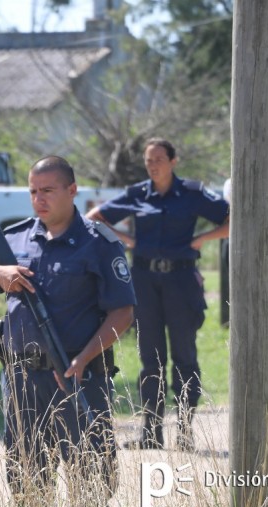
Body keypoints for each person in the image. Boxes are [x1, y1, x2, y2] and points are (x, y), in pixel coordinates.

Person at [0, 156, 135, 506]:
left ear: (72, 191)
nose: (38, 199)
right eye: (32, 191)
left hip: (80, 377)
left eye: (47, 190)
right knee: (27, 488)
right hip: (23, 381)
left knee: (91, 485)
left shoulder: (98, 243)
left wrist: (84, 358)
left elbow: (122, 313)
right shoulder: (14, 240)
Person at [86, 138, 229, 451]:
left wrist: (204, 238)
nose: (153, 165)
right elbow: (95, 216)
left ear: (173, 161)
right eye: (148, 160)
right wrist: (127, 239)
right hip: (144, 280)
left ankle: (185, 429)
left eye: (159, 159)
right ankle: (151, 431)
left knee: (184, 357)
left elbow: (232, 218)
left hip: (181, 280)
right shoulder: (138, 193)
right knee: (150, 359)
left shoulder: (192, 193)